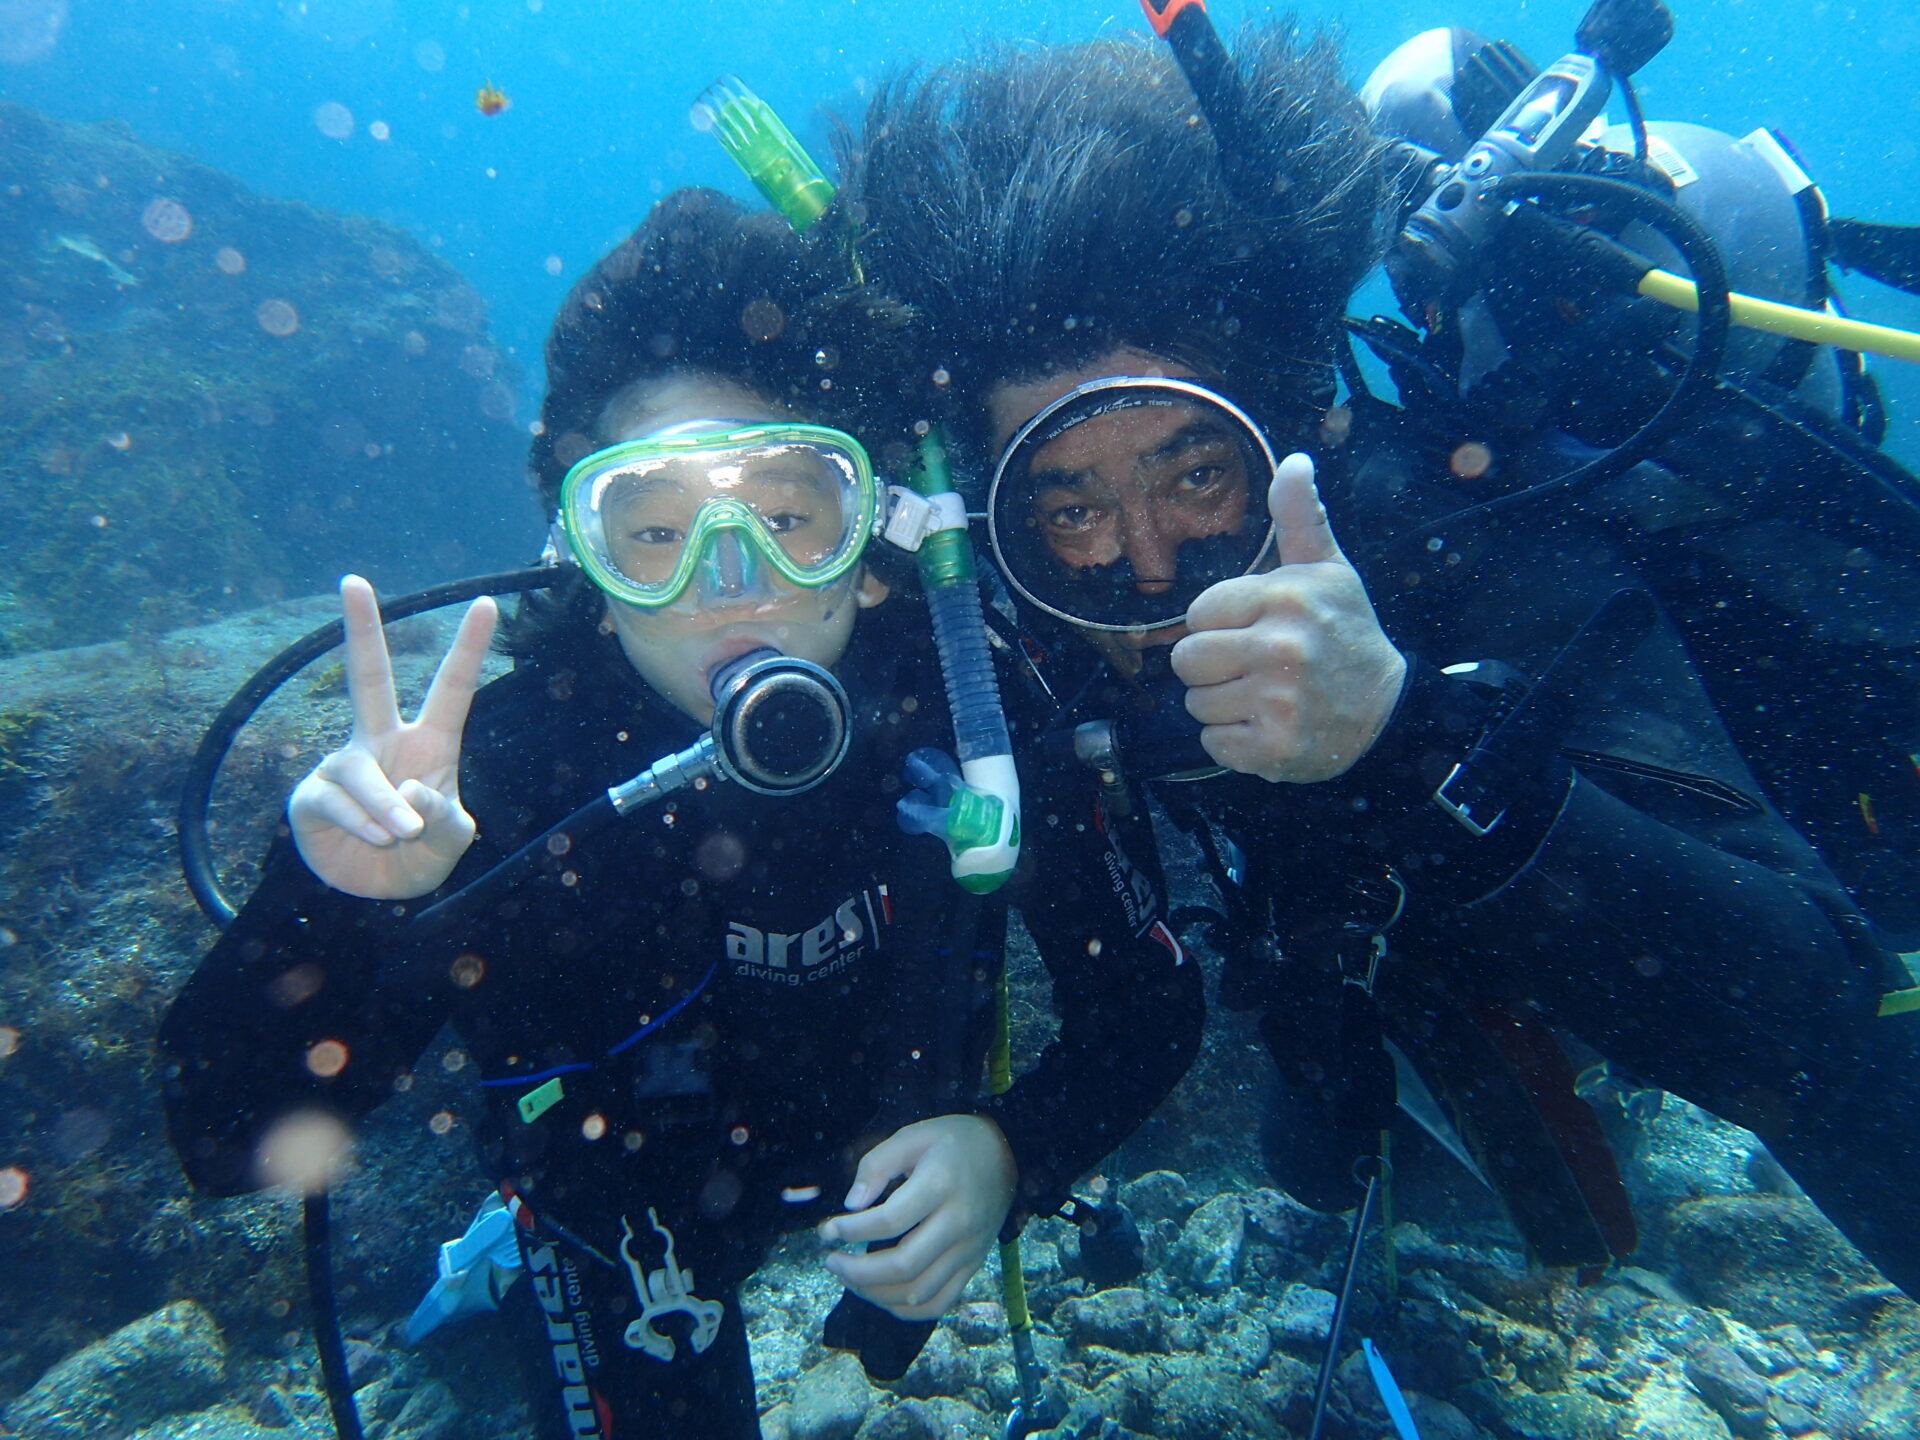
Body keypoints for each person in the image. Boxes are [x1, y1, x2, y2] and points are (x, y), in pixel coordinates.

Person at [838, 28, 1920, 1294]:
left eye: (1197, 474)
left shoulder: (1459, 545)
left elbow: (1828, 1036)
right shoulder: (1019, 636)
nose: (1145, 568)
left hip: (1816, 830)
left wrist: (1403, 735)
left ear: (1295, 432)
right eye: (1068, 509)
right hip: (1391, 957)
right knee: (1327, 1158)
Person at [157, 186, 1202, 1439]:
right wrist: (335, 900)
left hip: (893, 1164)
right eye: (652, 532)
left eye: (783, 515)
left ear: (867, 549)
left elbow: (1150, 1004)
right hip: (628, 1219)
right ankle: (498, 1270)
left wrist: (1012, 1155)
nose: (729, 582)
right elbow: (223, 1141)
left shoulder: (975, 713)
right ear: (589, 580)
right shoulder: (501, 781)